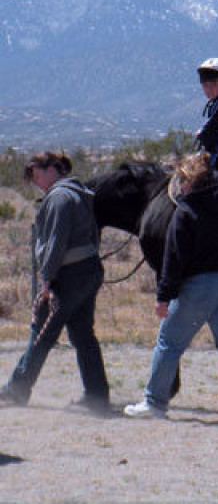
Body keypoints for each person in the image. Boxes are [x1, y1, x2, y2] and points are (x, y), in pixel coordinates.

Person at [124, 152, 218, 421]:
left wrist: (163, 297)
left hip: (198, 288)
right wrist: (210, 170)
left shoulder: (185, 211)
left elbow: (173, 259)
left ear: (188, 181)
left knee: (168, 344)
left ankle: (154, 403)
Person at [0, 152, 110, 414]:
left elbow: (55, 242)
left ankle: (17, 388)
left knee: (41, 333)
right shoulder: (79, 193)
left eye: (37, 176)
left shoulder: (60, 197)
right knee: (83, 335)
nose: (37, 183)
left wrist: (47, 278)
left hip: (67, 275)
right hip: (88, 270)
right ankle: (97, 396)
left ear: (51, 169)